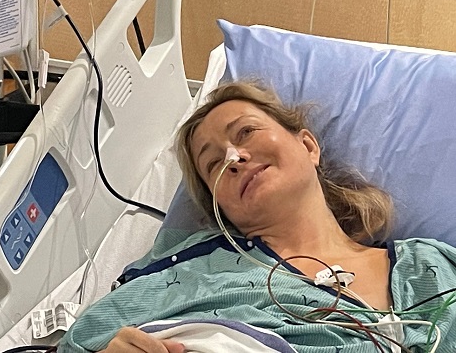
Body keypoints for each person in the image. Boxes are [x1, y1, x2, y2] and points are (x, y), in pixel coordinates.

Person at [59, 81, 456, 352]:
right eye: (213, 163)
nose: (234, 158)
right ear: (221, 206)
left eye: (245, 132)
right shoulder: (191, 273)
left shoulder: (427, 265)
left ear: (308, 146)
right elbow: (82, 340)